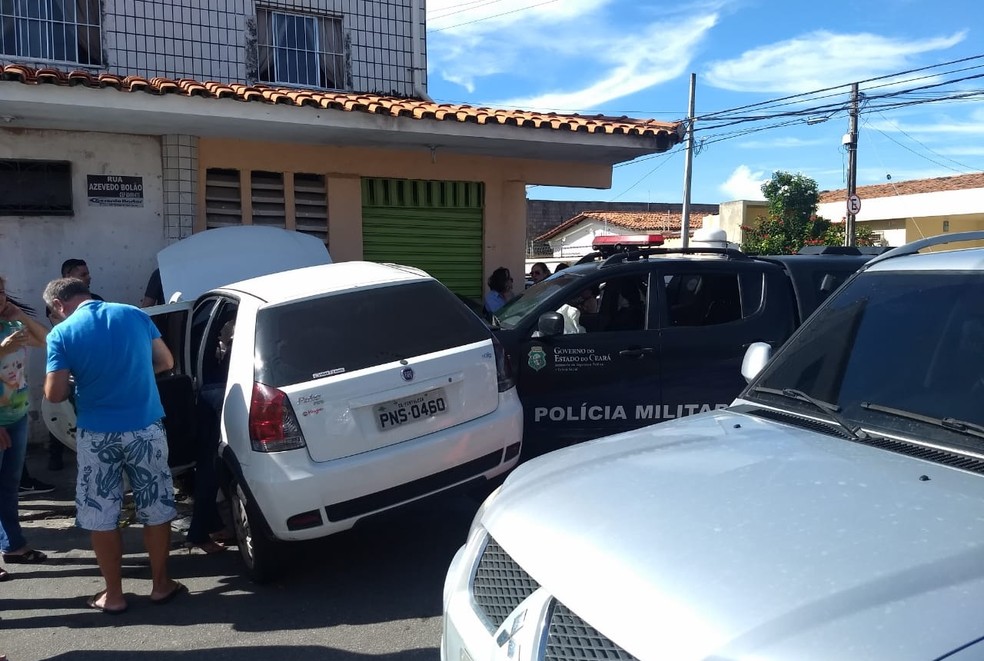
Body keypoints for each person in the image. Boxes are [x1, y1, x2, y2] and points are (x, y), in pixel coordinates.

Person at [44, 277, 184, 613]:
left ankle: (114, 595)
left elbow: (55, 394)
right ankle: (161, 585)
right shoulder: (134, 315)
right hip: (145, 428)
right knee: (156, 506)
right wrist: (135, 373)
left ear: (59, 305)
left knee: (102, 514)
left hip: (97, 435)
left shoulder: (61, 334)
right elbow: (166, 362)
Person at [0, 275, 51, 575]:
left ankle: (14, 545)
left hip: (17, 416)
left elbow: (45, 340)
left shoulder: (10, 324)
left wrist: (19, 316)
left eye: (2, 291)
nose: (0, 298)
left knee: (9, 486)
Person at [185, 319, 235, 554]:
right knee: (210, 468)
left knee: (208, 467)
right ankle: (200, 532)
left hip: (212, 395)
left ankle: (212, 526)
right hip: (220, 395)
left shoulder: (202, 318)